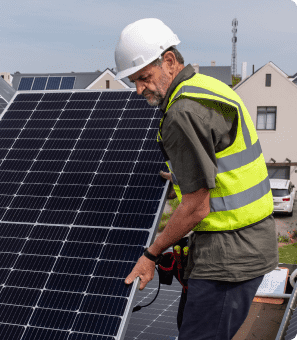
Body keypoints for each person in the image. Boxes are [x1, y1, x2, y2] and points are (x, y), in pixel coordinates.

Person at [114, 19, 278, 339]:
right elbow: (217, 164)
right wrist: (180, 176)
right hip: (248, 241)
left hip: (228, 256)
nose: (138, 90)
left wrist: (151, 255)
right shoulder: (207, 85)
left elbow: (196, 208)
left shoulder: (182, 111)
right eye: (133, 81)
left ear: (170, 61)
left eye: (144, 78)